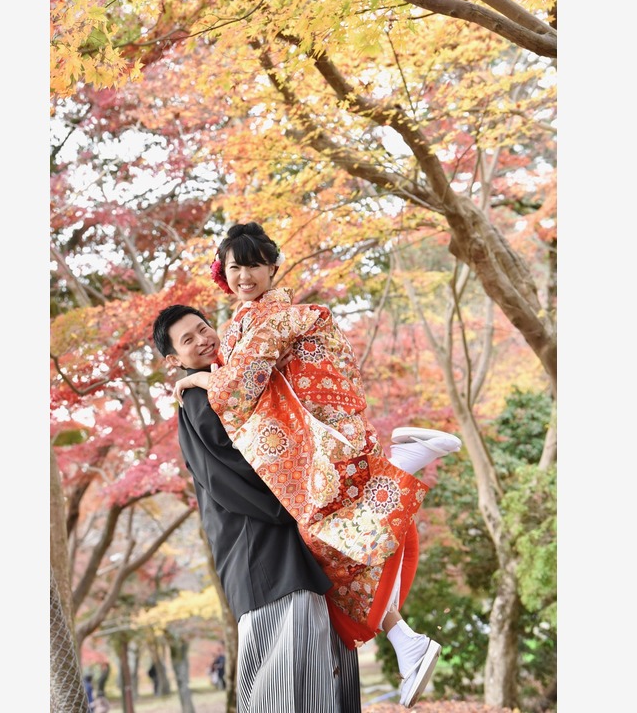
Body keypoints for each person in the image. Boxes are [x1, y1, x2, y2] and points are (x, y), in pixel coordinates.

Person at [170, 222, 460, 707]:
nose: (244, 275)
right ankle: (405, 641)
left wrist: (195, 383)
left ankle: (406, 462)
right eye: (235, 267)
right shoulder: (254, 321)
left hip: (311, 445)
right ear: (226, 274)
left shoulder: (272, 319)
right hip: (314, 440)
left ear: (272, 267)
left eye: (254, 264)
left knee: (339, 541)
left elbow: (241, 386)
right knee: (341, 557)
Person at [152, 305, 362, 713]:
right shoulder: (196, 397)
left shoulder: (225, 383)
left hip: (276, 539)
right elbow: (224, 474)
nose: (202, 340)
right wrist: (296, 499)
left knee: (312, 662)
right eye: (188, 340)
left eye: (203, 329)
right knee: (286, 670)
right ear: (173, 360)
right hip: (259, 546)